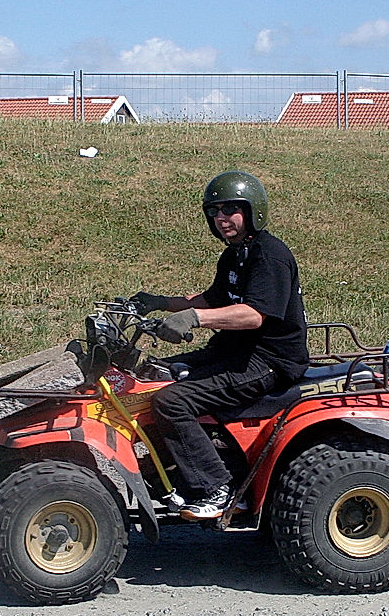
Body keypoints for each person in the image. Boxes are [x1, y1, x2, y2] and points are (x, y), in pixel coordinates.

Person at [131, 170, 309, 521]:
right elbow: (212, 300)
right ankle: (180, 471)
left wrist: (193, 319)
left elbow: (253, 315)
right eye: (214, 211)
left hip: (268, 361)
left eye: (230, 209)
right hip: (235, 350)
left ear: (252, 210)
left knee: (171, 401)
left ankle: (219, 488)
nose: (222, 218)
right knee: (158, 373)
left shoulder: (269, 257)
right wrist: (161, 303)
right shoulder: (234, 256)